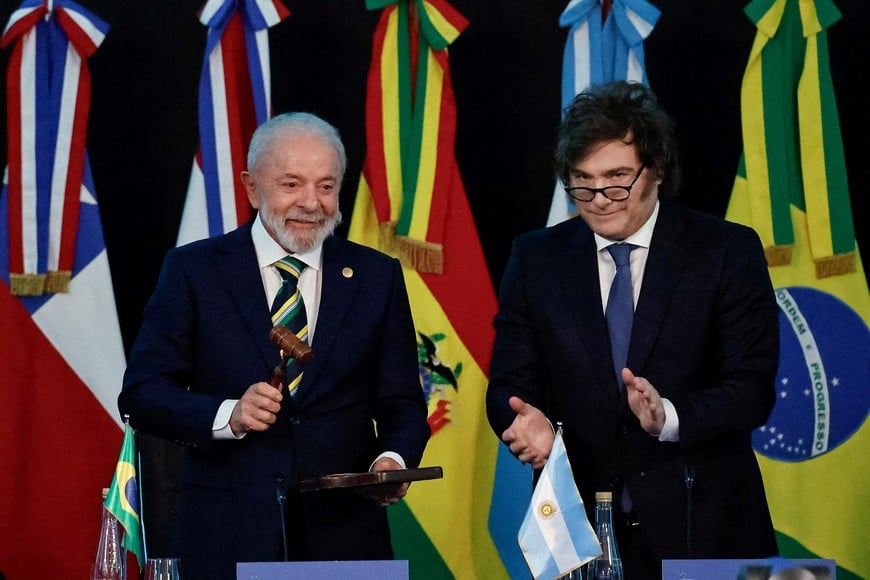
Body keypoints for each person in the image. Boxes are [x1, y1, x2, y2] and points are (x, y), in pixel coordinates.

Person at [118, 112, 430, 580]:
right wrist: (230, 415)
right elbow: (141, 395)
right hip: (227, 534)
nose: (311, 203)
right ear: (251, 187)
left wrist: (393, 460)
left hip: (345, 536)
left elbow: (403, 403)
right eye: (291, 184)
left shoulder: (376, 276)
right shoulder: (194, 271)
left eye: (326, 186)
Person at [486, 81, 779, 577]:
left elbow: (752, 390)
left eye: (618, 178)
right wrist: (523, 422)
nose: (599, 198)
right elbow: (509, 382)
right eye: (582, 182)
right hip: (580, 536)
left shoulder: (726, 251)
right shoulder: (536, 258)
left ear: (657, 170)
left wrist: (667, 416)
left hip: (704, 529)